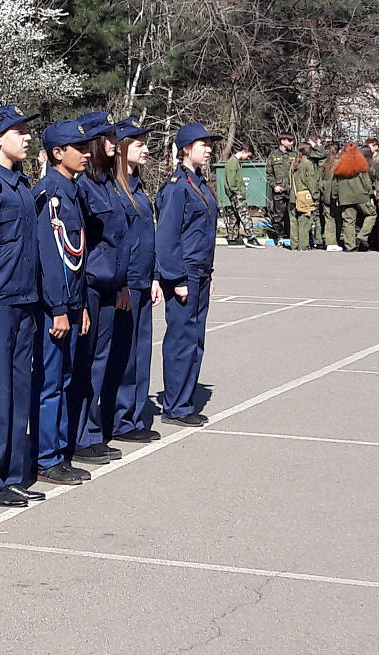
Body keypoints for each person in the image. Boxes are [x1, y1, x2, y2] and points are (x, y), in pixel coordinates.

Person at [0, 105, 46, 508]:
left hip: (23, 299)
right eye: (19, 131)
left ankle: (14, 473)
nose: (27, 137)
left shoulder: (20, 184)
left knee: (19, 388)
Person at [29, 119, 93, 486]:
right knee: (50, 382)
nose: (85, 154)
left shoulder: (71, 190)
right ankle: (46, 456)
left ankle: (60, 451)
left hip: (70, 301)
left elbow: (77, 257)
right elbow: (49, 258)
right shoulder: (48, 193)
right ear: (58, 153)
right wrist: (57, 308)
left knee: (65, 378)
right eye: (77, 149)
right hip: (55, 305)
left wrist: (79, 304)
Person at [70, 111, 128, 465]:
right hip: (89, 285)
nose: (113, 143)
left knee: (100, 362)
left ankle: (91, 431)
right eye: (107, 138)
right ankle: (79, 434)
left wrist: (120, 284)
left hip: (109, 284)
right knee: (85, 364)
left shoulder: (108, 183)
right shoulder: (81, 186)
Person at [155, 123, 220, 427]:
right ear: (185, 148)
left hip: (200, 272)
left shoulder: (200, 183)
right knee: (182, 339)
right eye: (202, 143)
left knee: (195, 339)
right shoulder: (177, 186)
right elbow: (167, 238)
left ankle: (185, 399)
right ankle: (175, 405)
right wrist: (177, 278)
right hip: (185, 272)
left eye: (209, 144)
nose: (208, 148)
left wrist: (209, 272)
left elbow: (202, 233)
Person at [109, 117, 162, 443]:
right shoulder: (115, 189)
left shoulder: (139, 188)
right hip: (126, 285)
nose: (145, 148)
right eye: (138, 143)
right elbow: (116, 241)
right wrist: (121, 285)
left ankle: (133, 415)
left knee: (141, 352)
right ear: (123, 147)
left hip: (143, 280)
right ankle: (120, 418)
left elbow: (148, 236)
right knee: (124, 356)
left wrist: (155, 276)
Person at [332, 142, 375, 252]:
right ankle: (362, 235)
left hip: (345, 197)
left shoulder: (339, 166)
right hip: (361, 196)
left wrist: (336, 197)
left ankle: (350, 246)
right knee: (372, 214)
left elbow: (335, 184)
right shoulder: (361, 165)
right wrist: (370, 194)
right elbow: (366, 183)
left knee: (348, 221)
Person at [222, 147, 259, 247]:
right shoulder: (233, 163)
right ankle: (251, 237)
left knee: (234, 216)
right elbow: (231, 180)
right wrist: (238, 192)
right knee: (245, 216)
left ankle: (232, 238)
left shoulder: (235, 162)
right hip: (236, 195)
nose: (247, 158)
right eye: (248, 155)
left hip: (235, 194)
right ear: (243, 152)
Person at [286, 141, 318, 251]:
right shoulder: (308, 164)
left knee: (293, 222)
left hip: (293, 196)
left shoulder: (294, 163)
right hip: (305, 196)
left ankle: (294, 245)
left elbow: (289, 179)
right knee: (304, 221)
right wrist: (316, 196)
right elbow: (311, 181)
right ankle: (303, 245)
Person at [265, 133, 295, 243]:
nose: (292, 143)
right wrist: (274, 186)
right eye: (289, 140)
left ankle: (292, 236)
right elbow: (269, 173)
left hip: (292, 190)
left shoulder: (294, 155)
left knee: (292, 215)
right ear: (282, 141)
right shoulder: (273, 155)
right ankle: (280, 237)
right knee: (278, 216)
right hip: (279, 191)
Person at [317, 142, 342, 252]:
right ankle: (335, 241)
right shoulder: (339, 163)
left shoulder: (324, 163)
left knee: (328, 219)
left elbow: (318, 179)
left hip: (325, 193)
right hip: (335, 194)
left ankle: (329, 242)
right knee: (337, 219)